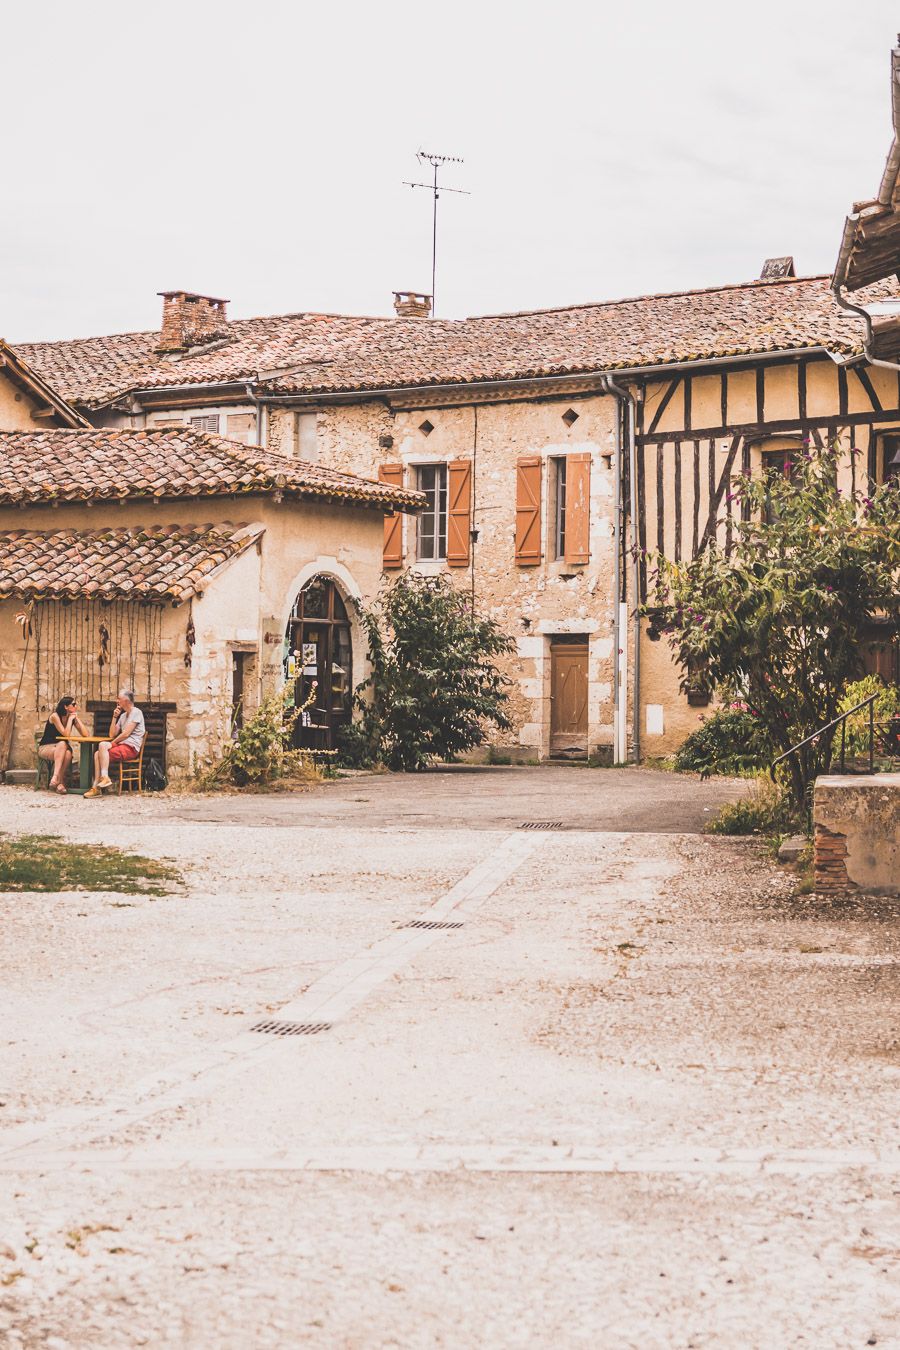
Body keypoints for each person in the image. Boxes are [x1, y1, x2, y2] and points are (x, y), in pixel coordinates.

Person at [84, 689, 145, 799]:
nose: (117, 701)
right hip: (122, 745)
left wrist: (112, 743)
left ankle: (96, 788)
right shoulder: (122, 716)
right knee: (101, 746)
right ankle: (104, 777)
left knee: (98, 754)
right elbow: (112, 734)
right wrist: (114, 717)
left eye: (119, 699)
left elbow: (126, 734)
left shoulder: (137, 712)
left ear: (126, 700)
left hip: (131, 748)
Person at [38, 696, 88, 794]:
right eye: (73, 704)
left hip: (61, 749)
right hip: (47, 747)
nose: (76, 706)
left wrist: (76, 718)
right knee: (62, 743)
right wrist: (70, 720)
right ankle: (57, 778)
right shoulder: (55, 716)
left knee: (68, 753)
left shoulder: (72, 717)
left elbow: (85, 734)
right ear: (65, 706)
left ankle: (58, 782)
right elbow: (66, 734)